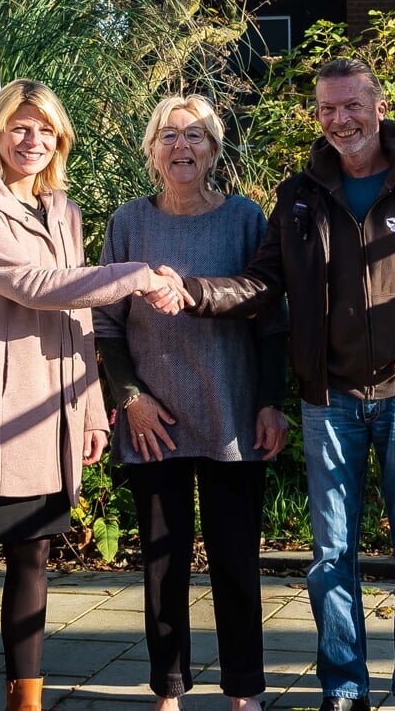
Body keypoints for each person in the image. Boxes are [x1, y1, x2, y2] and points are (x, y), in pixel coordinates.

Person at [179, 58, 395, 711]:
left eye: (351, 106)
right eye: (326, 109)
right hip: (330, 401)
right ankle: (344, 688)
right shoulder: (299, 194)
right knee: (330, 557)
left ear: (378, 107)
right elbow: (264, 282)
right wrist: (194, 294)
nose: (339, 120)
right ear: (316, 116)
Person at [0, 79, 190, 711]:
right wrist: (134, 276)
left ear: (59, 138)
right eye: (20, 127)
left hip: (49, 408)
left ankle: (26, 703)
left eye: (45, 130)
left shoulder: (61, 209)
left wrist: (92, 411)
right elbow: (31, 283)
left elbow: (78, 317)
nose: (32, 140)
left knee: (33, 560)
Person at [94, 95, 289, 711]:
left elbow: (269, 317)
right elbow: (106, 327)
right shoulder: (128, 223)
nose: (182, 147)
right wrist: (130, 399)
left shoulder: (244, 219)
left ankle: (245, 691)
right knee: (163, 563)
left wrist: (268, 401)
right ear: (151, 151)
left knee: (236, 561)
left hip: (231, 416)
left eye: (196, 136)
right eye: (170, 136)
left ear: (214, 149)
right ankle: (169, 691)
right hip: (153, 421)